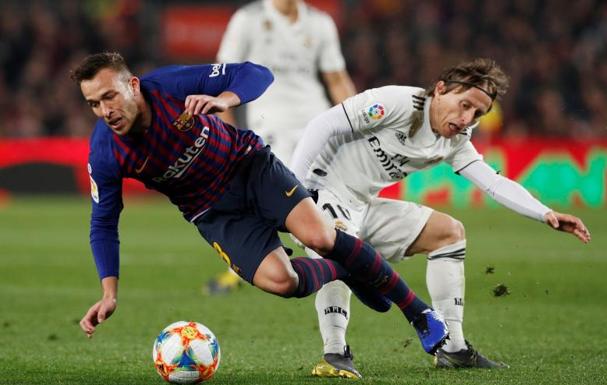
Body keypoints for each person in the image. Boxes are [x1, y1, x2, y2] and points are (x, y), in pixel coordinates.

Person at [71, 52, 449, 365]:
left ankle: (419, 313)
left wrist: (226, 99)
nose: (105, 110)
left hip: (249, 167)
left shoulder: (169, 86)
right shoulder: (105, 153)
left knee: (319, 236)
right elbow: (103, 222)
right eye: (94, 104)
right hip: (213, 212)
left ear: (132, 85)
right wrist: (110, 293)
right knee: (282, 282)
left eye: (110, 96)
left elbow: (255, 73)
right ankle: (347, 269)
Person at [289, 58, 591, 373]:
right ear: (441, 89)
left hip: (363, 204)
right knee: (340, 247)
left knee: (449, 233)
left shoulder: (455, 140)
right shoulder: (398, 103)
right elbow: (323, 125)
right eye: (464, 105)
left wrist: (545, 213)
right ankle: (335, 353)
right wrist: (294, 192)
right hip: (320, 195)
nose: (467, 119)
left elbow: (493, 181)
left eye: (477, 114)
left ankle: (453, 348)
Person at [206, 0, 357, 299]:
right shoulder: (247, 20)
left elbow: (337, 79)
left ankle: (349, 261)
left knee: (329, 197)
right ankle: (338, 264)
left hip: (318, 122)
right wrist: (228, 135)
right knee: (289, 201)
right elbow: (223, 78)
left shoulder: (320, 22)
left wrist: (356, 121)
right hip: (271, 127)